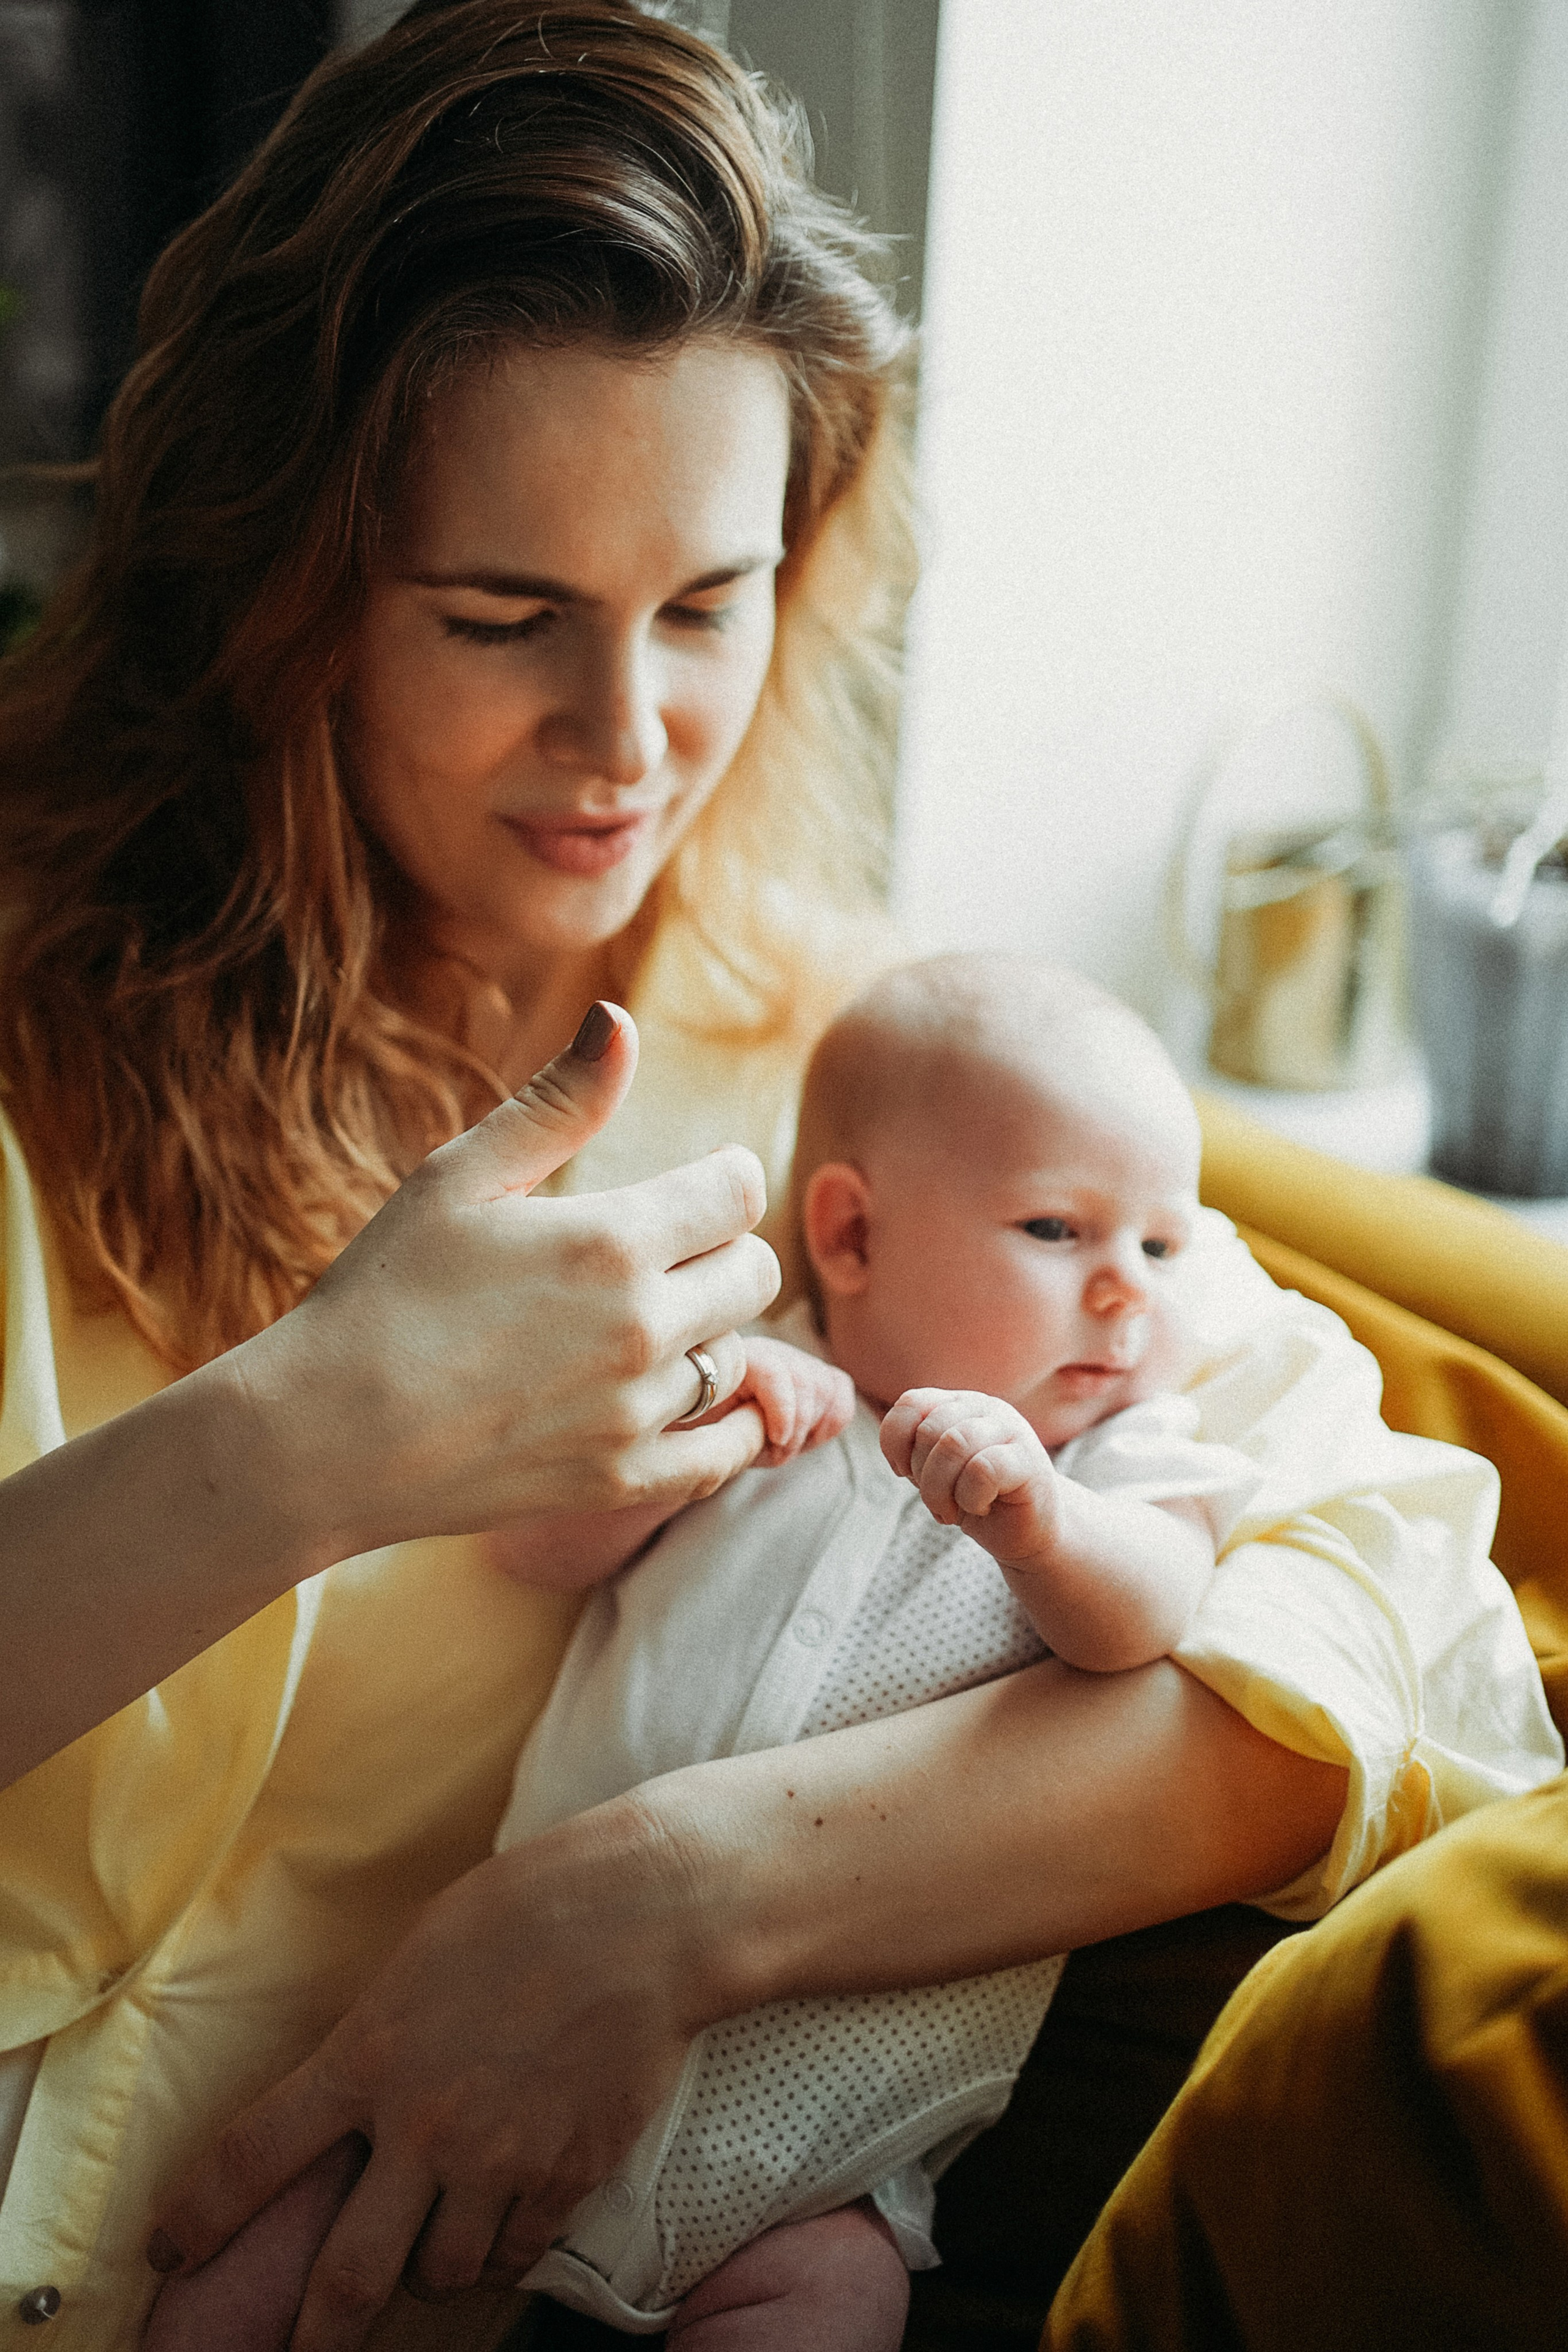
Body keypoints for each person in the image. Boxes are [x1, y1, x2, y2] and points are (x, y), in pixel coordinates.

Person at [0, 8, 1552, 2349]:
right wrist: (306, 1444)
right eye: (501, 618)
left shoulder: (882, 1096)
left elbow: (1364, 1643)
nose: (628, 746)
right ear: (277, 583)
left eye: (705, 606)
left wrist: (658, 1901)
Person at [143, 956, 1561, 2350]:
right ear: (853, 1238)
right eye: (1058, 1233)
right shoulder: (750, 1382)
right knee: (236, 2281)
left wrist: (1039, 1520)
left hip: (821, 2188)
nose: (1128, 1293)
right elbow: (536, 1554)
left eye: (1163, 1244)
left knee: (829, 2316)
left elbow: (1146, 1619)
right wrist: (682, 1432)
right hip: (484, 2046)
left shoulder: (1137, 1456)